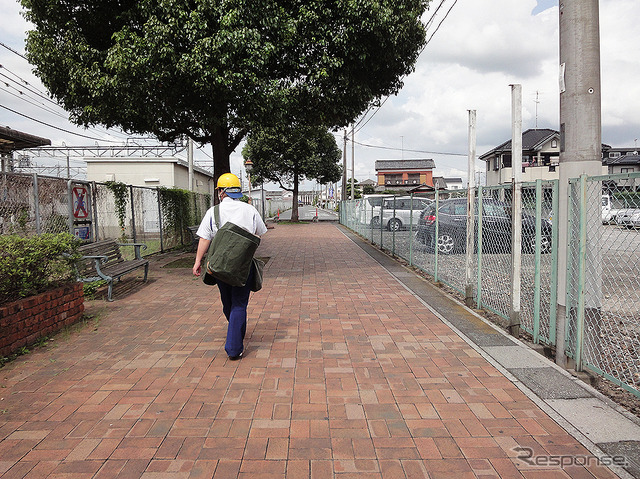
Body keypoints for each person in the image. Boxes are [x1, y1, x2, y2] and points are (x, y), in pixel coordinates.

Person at [192, 173, 267, 360]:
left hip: (219, 267)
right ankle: (235, 344)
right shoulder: (249, 210)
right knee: (239, 303)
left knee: (228, 302)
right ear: (237, 191)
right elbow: (260, 233)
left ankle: (235, 341)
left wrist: (198, 261)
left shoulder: (213, 212)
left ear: (220, 191)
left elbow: (205, 238)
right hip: (243, 266)